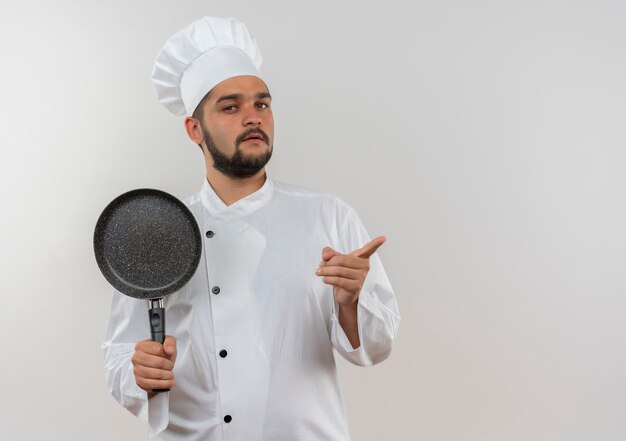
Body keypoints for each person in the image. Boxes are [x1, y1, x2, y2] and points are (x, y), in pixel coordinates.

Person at [102, 16, 400, 441]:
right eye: (230, 107)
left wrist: (350, 301)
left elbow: (375, 348)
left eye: (262, 104)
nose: (253, 117)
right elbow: (118, 355)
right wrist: (139, 372)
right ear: (194, 130)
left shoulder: (328, 216)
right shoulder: (158, 228)